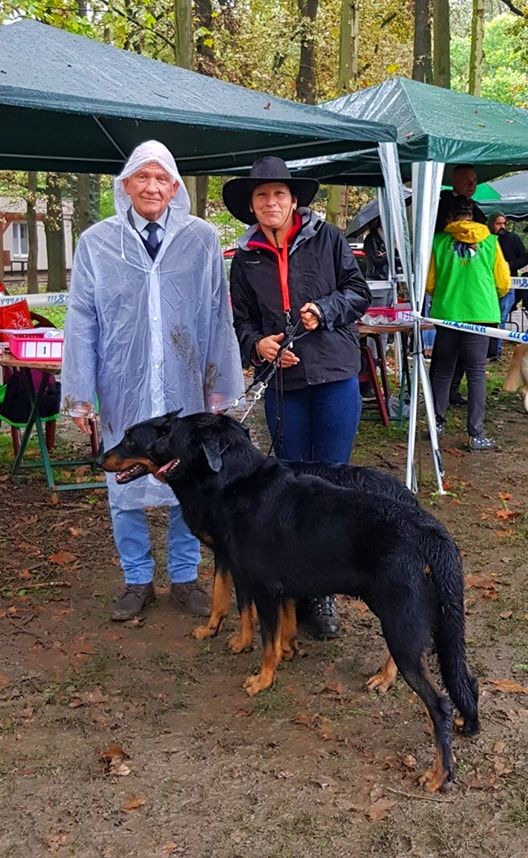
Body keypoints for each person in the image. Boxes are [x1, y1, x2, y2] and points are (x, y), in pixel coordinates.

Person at [61, 140, 244, 622]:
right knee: (123, 479)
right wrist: (80, 395)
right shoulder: (97, 242)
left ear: (175, 187)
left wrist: (220, 384)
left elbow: (217, 314)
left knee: (188, 476)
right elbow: (81, 320)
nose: (152, 186)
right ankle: (137, 579)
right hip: (122, 382)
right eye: (142, 176)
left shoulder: (201, 239)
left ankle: (184, 577)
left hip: (185, 384)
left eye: (162, 178)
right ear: (125, 185)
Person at [223, 156, 371, 639]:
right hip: (283, 384)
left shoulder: (328, 239)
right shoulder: (245, 257)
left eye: (279, 194)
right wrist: (258, 345)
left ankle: (323, 591)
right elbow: (242, 321)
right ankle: (292, 584)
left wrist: (324, 309)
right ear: (252, 205)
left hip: (333, 375)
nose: (271, 202)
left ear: (293, 201)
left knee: (329, 483)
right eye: (262, 195)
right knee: (287, 485)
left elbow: (358, 292)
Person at [427, 197, 511, 451]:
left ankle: (436, 424)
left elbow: (429, 283)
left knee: (443, 371)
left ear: (449, 217)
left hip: (447, 313)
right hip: (480, 313)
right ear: (473, 216)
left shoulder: (438, 242)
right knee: (476, 374)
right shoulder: (491, 241)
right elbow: (503, 282)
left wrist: (446, 294)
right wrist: (486, 296)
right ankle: (476, 433)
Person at [432, 165, 487, 403]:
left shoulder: (479, 211)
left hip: (474, 296)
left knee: (468, 356)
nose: (472, 186)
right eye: (468, 181)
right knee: (444, 353)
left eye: (475, 181)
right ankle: (437, 399)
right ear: (454, 180)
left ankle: (453, 390)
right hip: (449, 290)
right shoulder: (439, 204)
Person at [487, 212, 528, 359]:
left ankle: (496, 351)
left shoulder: (512, 238)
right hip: (488, 283)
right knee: (488, 317)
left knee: (502, 317)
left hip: (508, 283)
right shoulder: (485, 238)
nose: (502, 226)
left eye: (504, 223)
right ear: (491, 224)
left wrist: (510, 265)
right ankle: (487, 349)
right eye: (498, 223)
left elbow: (524, 257)